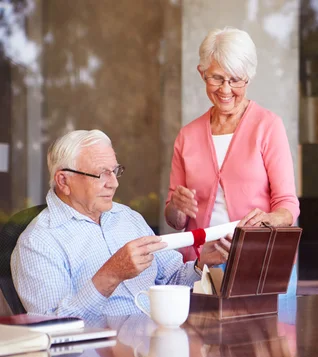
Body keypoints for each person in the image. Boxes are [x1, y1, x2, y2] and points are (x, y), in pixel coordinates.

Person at [11, 129, 231, 319]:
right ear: (63, 181)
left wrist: (201, 264)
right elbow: (52, 327)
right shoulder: (38, 241)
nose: (114, 183)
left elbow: (172, 278)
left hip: (155, 348)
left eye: (115, 171)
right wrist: (111, 274)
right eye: (101, 174)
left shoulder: (127, 217)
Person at [164, 27, 300, 291]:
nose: (226, 89)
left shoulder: (268, 126)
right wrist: (177, 207)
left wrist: (268, 220)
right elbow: (174, 219)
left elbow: (287, 205)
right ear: (202, 73)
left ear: (248, 78)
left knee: (267, 333)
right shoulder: (187, 136)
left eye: (236, 79)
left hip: (259, 263)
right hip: (201, 267)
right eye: (216, 78)